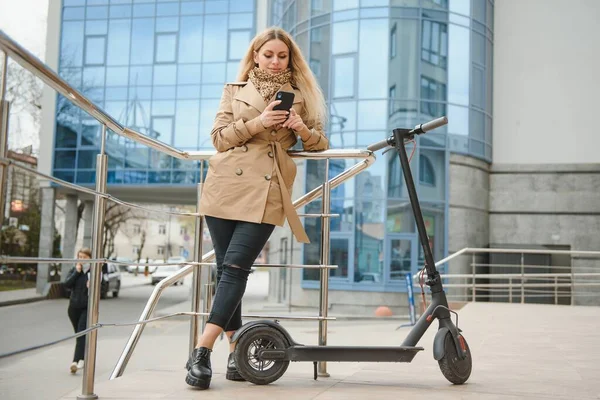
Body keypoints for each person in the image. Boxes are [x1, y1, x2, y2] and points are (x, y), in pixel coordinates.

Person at [187, 27, 329, 389]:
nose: (276, 60)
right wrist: (259, 122)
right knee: (225, 271)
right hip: (224, 187)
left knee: (236, 267)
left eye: (282, 56)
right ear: (255, 56)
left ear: (289, 59)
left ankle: (201, 351)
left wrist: (301, 129)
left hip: (268, 191)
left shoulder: (302, 95)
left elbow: (320, 143)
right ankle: (235, 352)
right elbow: (219, 139)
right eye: (268, 55)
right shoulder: (233, 91)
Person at [64, 247, 92, 374]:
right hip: (73, 308)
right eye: (80, 257)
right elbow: (67, 285)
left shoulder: (94, 272)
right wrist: (77, 272)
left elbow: (102, 288)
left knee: (81, 333)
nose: (81, 260)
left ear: (90, 258)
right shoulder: (75, 269)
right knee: (80, 335)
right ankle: (83, 357)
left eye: (84, 258)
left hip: (86, 308)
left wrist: (92, 286)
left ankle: (75, 362)